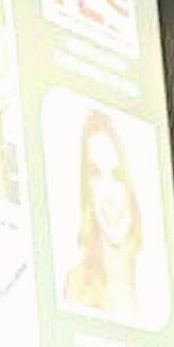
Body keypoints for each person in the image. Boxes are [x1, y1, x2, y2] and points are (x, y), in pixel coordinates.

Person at [60, 108, 144, 320]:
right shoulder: (75, 285)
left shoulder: (156, 279)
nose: (108, 195)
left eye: (117, 175)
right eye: (96, 174)